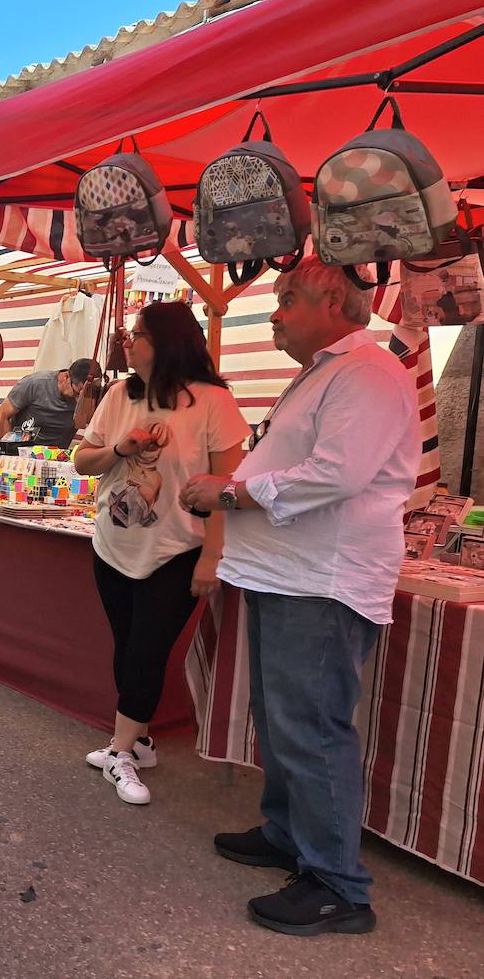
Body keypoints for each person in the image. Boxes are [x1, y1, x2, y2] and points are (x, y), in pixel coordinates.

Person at [183, 258, 419, 936]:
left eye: (288, 298)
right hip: (290, 574)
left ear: (337, 301)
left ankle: (337, 885)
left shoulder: (368, 372)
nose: (275, 312)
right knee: (288, 719)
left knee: (312, 726)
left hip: (322, 579)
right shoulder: (330, 371)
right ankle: (290, 833)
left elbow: (335, 475)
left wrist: (230, 490)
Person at [73, 303, 248, 807]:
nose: (128, 341)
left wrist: (212, 556)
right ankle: (139, 741)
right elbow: (83, 461)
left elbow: (225, 489)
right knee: (127, 646)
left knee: (147, 650)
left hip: (176, 551)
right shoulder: (118, 394)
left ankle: (119, 751)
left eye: (139, 334)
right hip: (112, 545)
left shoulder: (214, 403)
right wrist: (120, 450)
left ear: (168, 342)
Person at [0, 358, 99, 445]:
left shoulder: (89, 395)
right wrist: (10, 451)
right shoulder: (35, 384)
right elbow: (1, 415)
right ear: (66, 377)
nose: (78, 400)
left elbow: (82, 424)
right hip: (25, 450)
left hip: (56, 455)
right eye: (76, 393)